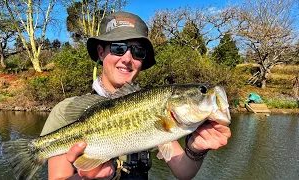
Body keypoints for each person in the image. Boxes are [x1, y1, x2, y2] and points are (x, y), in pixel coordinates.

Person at [40, 11, 231, 180]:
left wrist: (196, 149)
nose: (127, 59)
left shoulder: (155, 108)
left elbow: (184, 172)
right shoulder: (65, 112)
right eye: (118, 48)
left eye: (138, 51)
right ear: (101, 52)